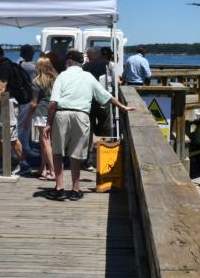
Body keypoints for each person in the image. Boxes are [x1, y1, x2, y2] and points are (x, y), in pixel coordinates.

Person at [43, 50, 136, 201]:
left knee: (58, 153)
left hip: (62, 114)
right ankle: (75, 189)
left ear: (69, 61)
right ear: (81, 62)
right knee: (76, 154)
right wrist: (123, 107)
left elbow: (53, 102)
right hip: (81, 115)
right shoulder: (88, 77)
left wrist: (48, 124)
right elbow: (106, 96)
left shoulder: (62, 75)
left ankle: (59, 188)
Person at [0, 45, 29, 173]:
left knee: (10, 136)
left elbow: (1, 88)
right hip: (5, 102)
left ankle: (24, 163)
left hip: (7, 103)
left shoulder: (3, 68)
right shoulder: (7, 65)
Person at [27, 56, 58, 181]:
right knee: (45, 141)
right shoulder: (57, 79)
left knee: (45, 141)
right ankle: (42, 169)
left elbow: (34, 103)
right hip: (54, 111)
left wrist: (28, 116)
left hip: (41, 111)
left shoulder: (37, 81)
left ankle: (52, 171)